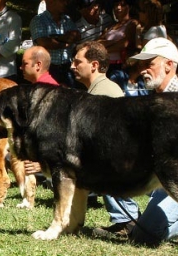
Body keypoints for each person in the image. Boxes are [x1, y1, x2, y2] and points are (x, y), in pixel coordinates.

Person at [100, 37, 178, 246]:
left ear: (169, 65)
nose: (142, 70)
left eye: (149, 64)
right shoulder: (150, 99)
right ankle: (127, 221)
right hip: (156, 177)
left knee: (145, 236)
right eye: (141, 64)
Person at [70, 41, 140, 236]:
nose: (72, 66)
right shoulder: (97, 90)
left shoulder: (105, 92)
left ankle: (128, 220)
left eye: (78, 62)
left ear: (94, 65)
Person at [19, 45, 58, 177]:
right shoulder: (38, 88)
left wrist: (42, 164)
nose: (21, 68)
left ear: (38, 65)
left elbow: (54, 134)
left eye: (25, 64)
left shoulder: (46, 91)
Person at [29, 0, 80, 87]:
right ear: (51, 2)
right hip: (48, 69)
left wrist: (54, 38)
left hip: (67, 67)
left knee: (70, 97)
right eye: (62, 1)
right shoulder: (38, 20)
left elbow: (77, 36)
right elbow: (44, 43)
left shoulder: (67, 19)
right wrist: (64, 41)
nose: (66, 3)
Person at [97, 0, 139, 87]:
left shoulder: (132, 23)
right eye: (116, 5)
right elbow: (97, 42)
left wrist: (103, 49)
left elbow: (124, 44)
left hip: (120, 66)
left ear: (129, 7)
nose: (118, 8)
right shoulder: (111, 26)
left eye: (122, 5)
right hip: (106, 65)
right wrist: (114, 42)